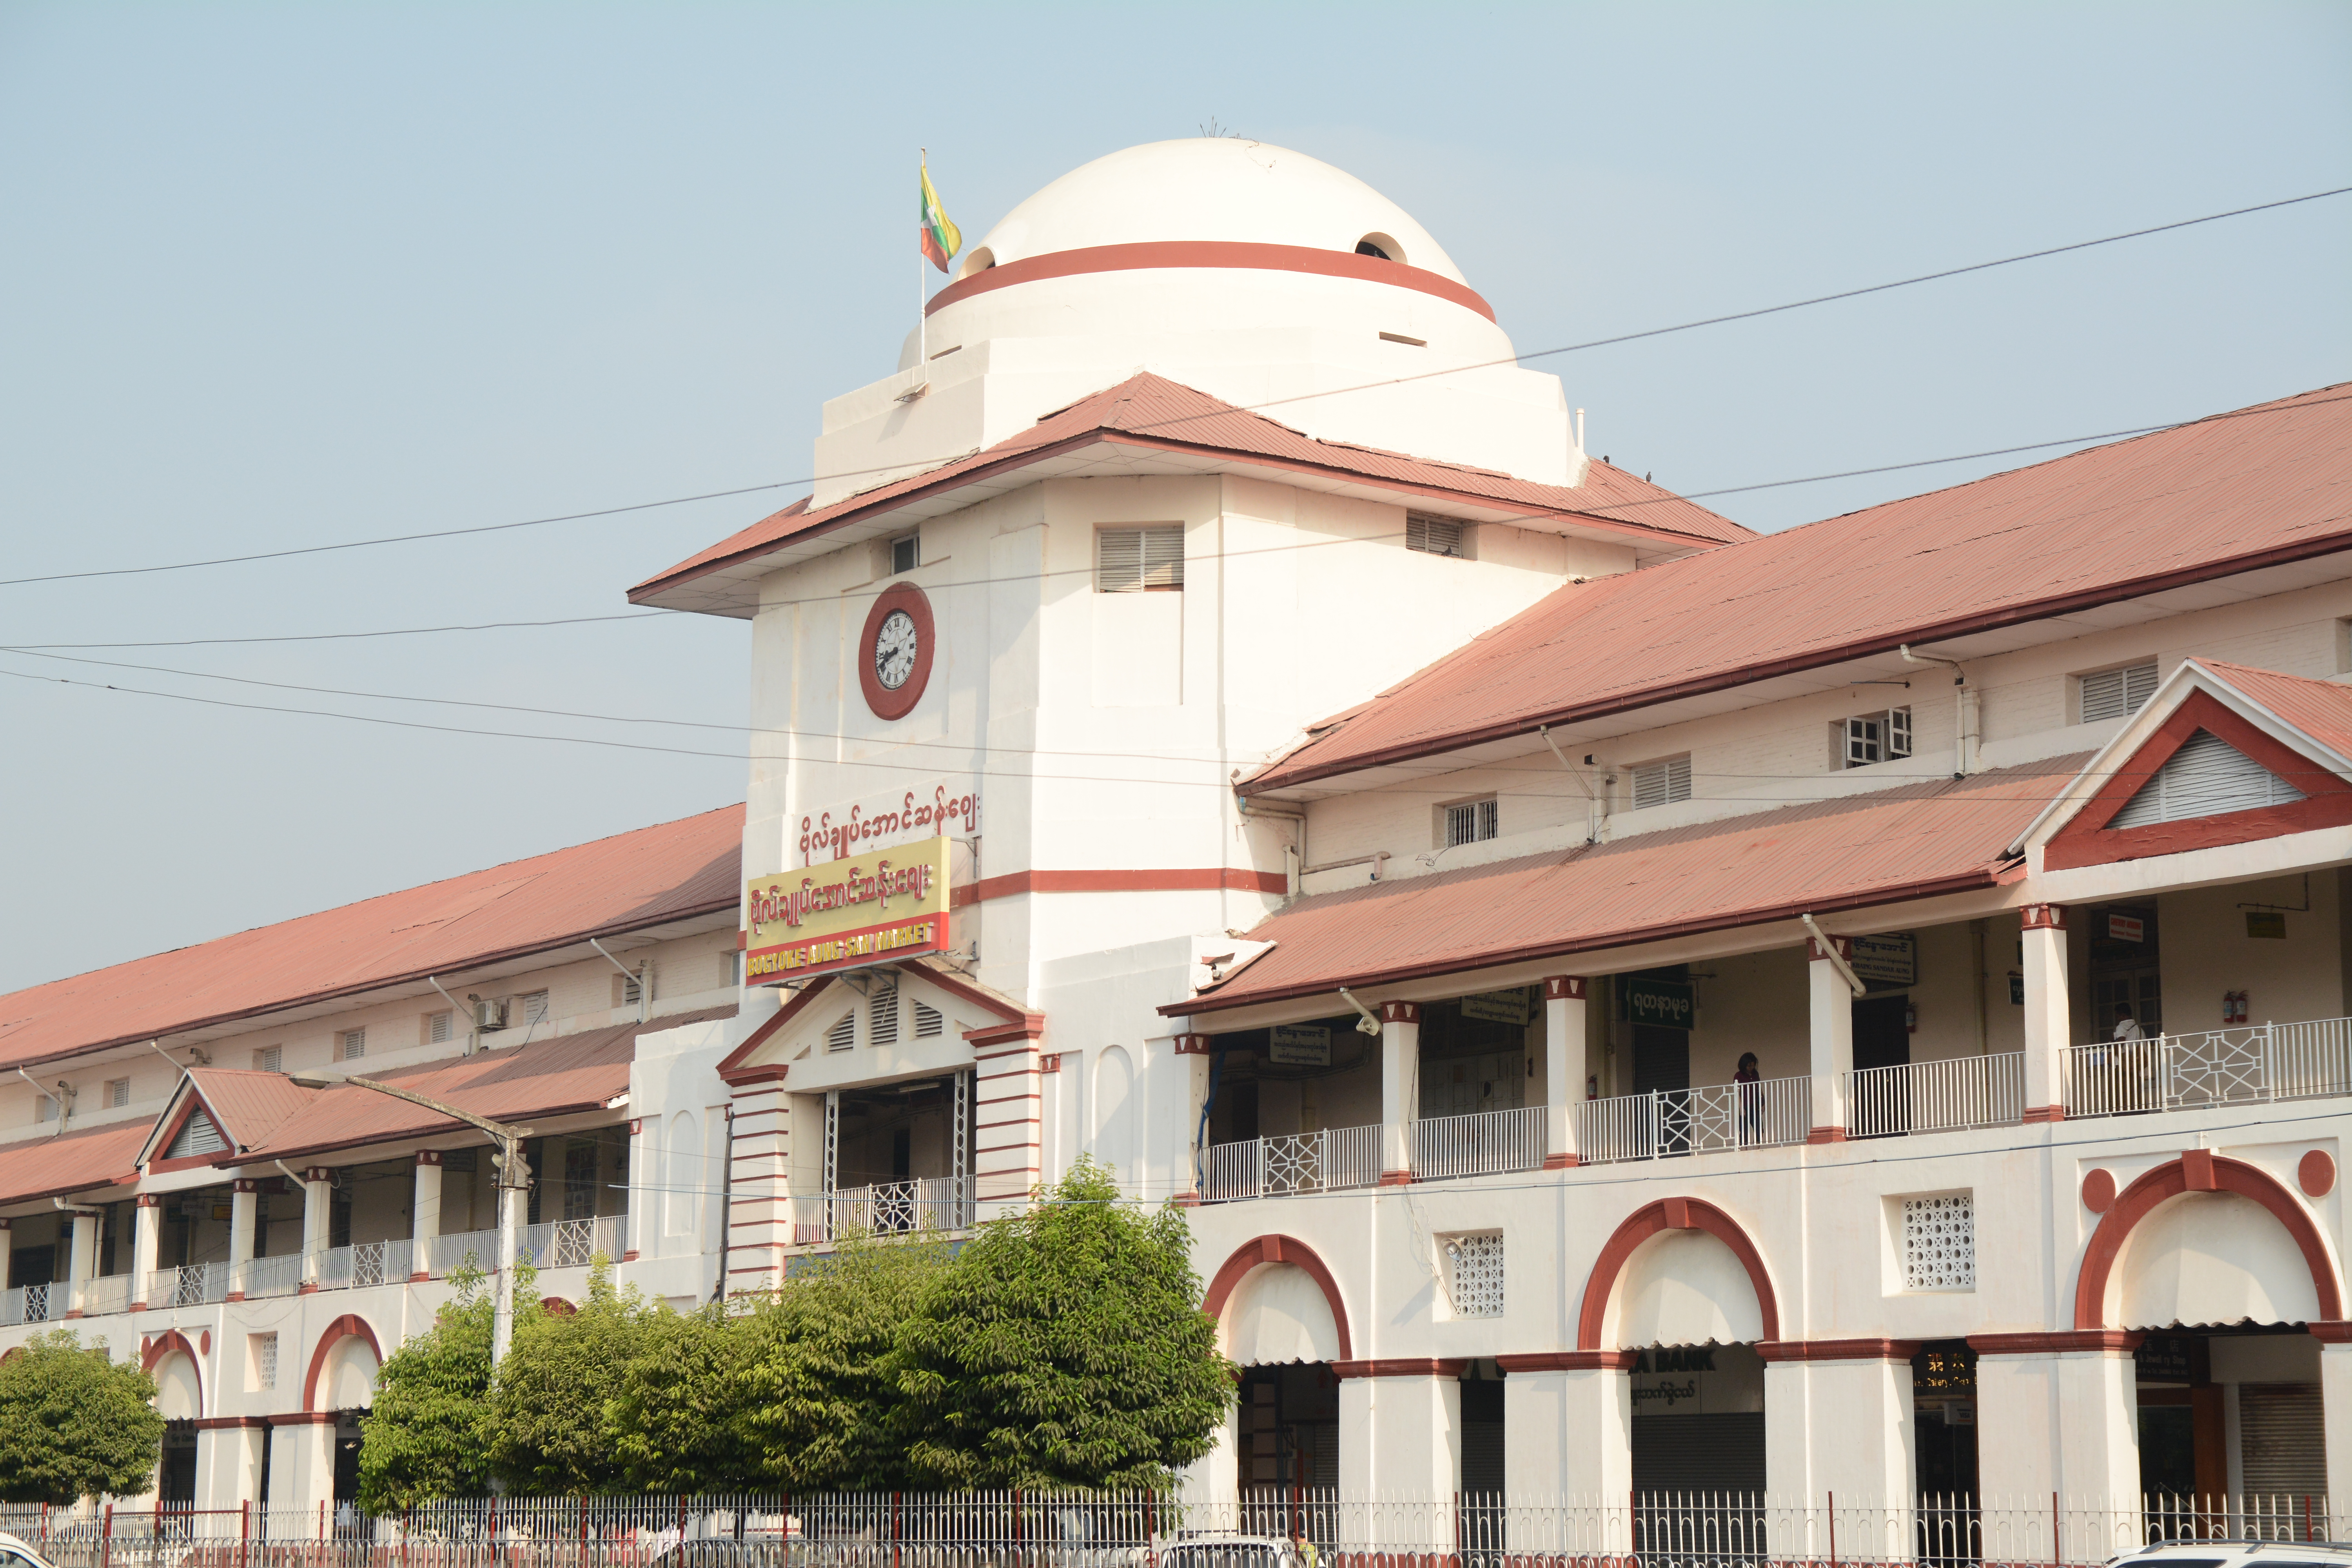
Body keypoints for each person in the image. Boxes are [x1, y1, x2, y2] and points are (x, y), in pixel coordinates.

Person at [1733, 1051, 1763, 1145]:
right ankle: (1744, 1151)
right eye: (1749, 1066)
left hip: (1756, 1106)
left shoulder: (1756, 1074)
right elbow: (1737, 1092)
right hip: (1745, 1107)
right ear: (1744, 1065)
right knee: (1744, 1131)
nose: (1751, 1068)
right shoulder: (1738, 1076)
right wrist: (1741, 1107)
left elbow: (1759, 1087)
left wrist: (1763, 1102)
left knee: (1759, 1130)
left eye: (1753, 1066)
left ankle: (1755, 1151)